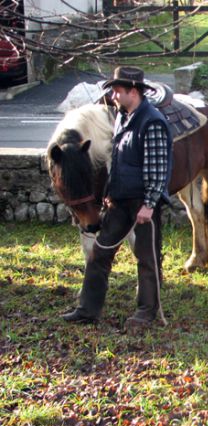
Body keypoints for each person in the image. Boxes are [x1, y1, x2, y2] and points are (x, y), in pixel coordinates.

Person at [62, 66, 173, 332]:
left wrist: (148, 204)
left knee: (147, 258)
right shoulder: (124, 118)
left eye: (117, 91)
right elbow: (120, 162)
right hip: (120, 200)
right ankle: (87, 309)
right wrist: (109, 193)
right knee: (100, 251)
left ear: (133, 92)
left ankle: (147, 312)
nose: (112, 96)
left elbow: (158, 168)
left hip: (142, 203)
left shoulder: (152, 121)